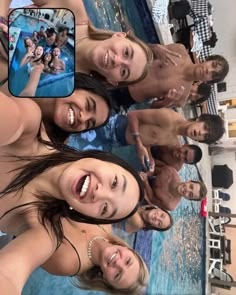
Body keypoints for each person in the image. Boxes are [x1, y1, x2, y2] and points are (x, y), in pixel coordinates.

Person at [0, 83, 145, 293]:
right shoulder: (29, 125)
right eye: (114, 182)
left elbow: (9, 275)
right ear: (101, 157)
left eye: (105, 209)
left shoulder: (46, 233)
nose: (100, 193)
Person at [30, 0, 154, 87]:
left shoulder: (73, 91)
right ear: (119, 35)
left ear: (112, 81)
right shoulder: (72, 6)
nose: (117, 60)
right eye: (126, 52)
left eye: (123, 72)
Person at [83, 108, 224, 170]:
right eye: (204, 127)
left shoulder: (173, 140)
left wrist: (149, 157)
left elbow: (148, 138)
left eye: (204, 136)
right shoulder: (169, 118)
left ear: (200, 141)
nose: (200, 132)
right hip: (113, 126)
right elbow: (132, 115)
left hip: (117, 141)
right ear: (200, 119)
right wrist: (138, 144)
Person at [140, 166, 207, 211]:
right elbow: (153, 170)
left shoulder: (171, 204)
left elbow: (151, 199)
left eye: (190, 194)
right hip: (147, 180)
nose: (187, 190)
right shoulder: (170, 171)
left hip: (145, 198)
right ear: (188, 181)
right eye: (191, 186)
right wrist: (145, 175)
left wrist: (145, 181)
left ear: (188, 198)